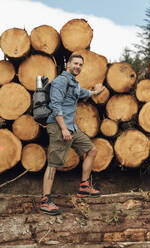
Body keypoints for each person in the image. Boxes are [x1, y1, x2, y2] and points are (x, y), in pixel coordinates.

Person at [40, 54, 105, 215]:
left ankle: (84, 187)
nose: (78, 66)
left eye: (80, 64)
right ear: (67, 64)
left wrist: (95, 92)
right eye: (75, 63)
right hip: (59, 126)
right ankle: (45, 201)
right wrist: (63, 128)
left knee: (91, 150)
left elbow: (81, 93)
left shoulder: (73, 83)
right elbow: (55, 105)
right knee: (54, 163)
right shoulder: (60, 81)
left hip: (71, 127)